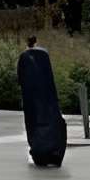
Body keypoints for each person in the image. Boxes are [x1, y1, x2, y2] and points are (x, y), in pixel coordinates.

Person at [17, 34, 68, 169]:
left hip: (31, 97)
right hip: (48, 96)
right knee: (50, 119)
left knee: (33, 121)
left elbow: (20, 79)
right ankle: (52, 151)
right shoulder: (44, 55)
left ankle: (39, 150)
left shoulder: (24, 57)